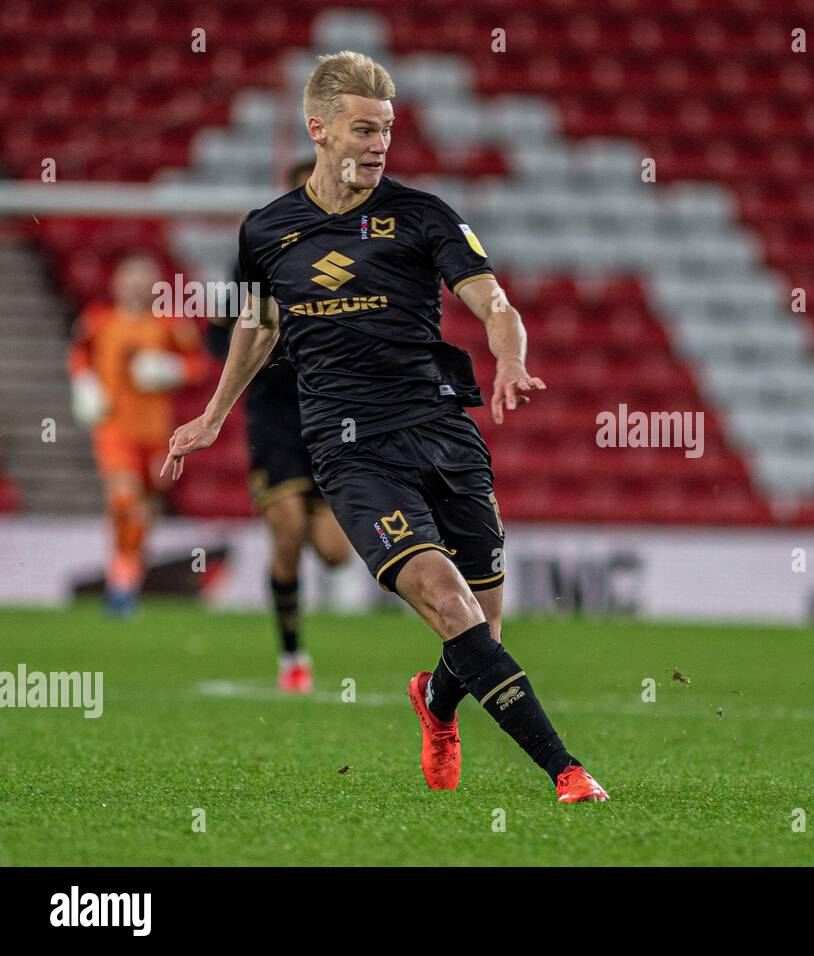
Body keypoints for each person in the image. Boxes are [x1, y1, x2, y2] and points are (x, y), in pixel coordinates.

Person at [163, 51, 607, 802]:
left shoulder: (423, 214)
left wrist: (509, 358)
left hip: (441, 430)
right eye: (364, 129)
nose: (378, 144)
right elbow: (258, 326)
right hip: (350, 448)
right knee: (448, 603)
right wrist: (213, 414)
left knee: (480, 636)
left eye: (388, 130)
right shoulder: (266, 231)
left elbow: (495, 303)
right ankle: (567, 771)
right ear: (319, 130)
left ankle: (435, 703)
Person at [205, 158, 352, 694]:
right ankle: (292, 655)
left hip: (334, 416)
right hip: (274, 416)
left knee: (336, 554)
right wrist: (252, 357)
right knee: (286, 530)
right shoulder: (261, 249)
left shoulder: (352, 258)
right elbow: (220, 331)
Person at [69, 251, 205, 616]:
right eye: (131, 276)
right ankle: (121, 584)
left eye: (145, 277)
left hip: (156, 434)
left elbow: (200, 365)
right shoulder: (99, 320)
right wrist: (84, 383)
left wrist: (173, 368)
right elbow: (79, 355)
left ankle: (124, 581)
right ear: (117, 282)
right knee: (124, 500)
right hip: (115, 430)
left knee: (144, 511)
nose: (137, 284)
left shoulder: (170, 323)